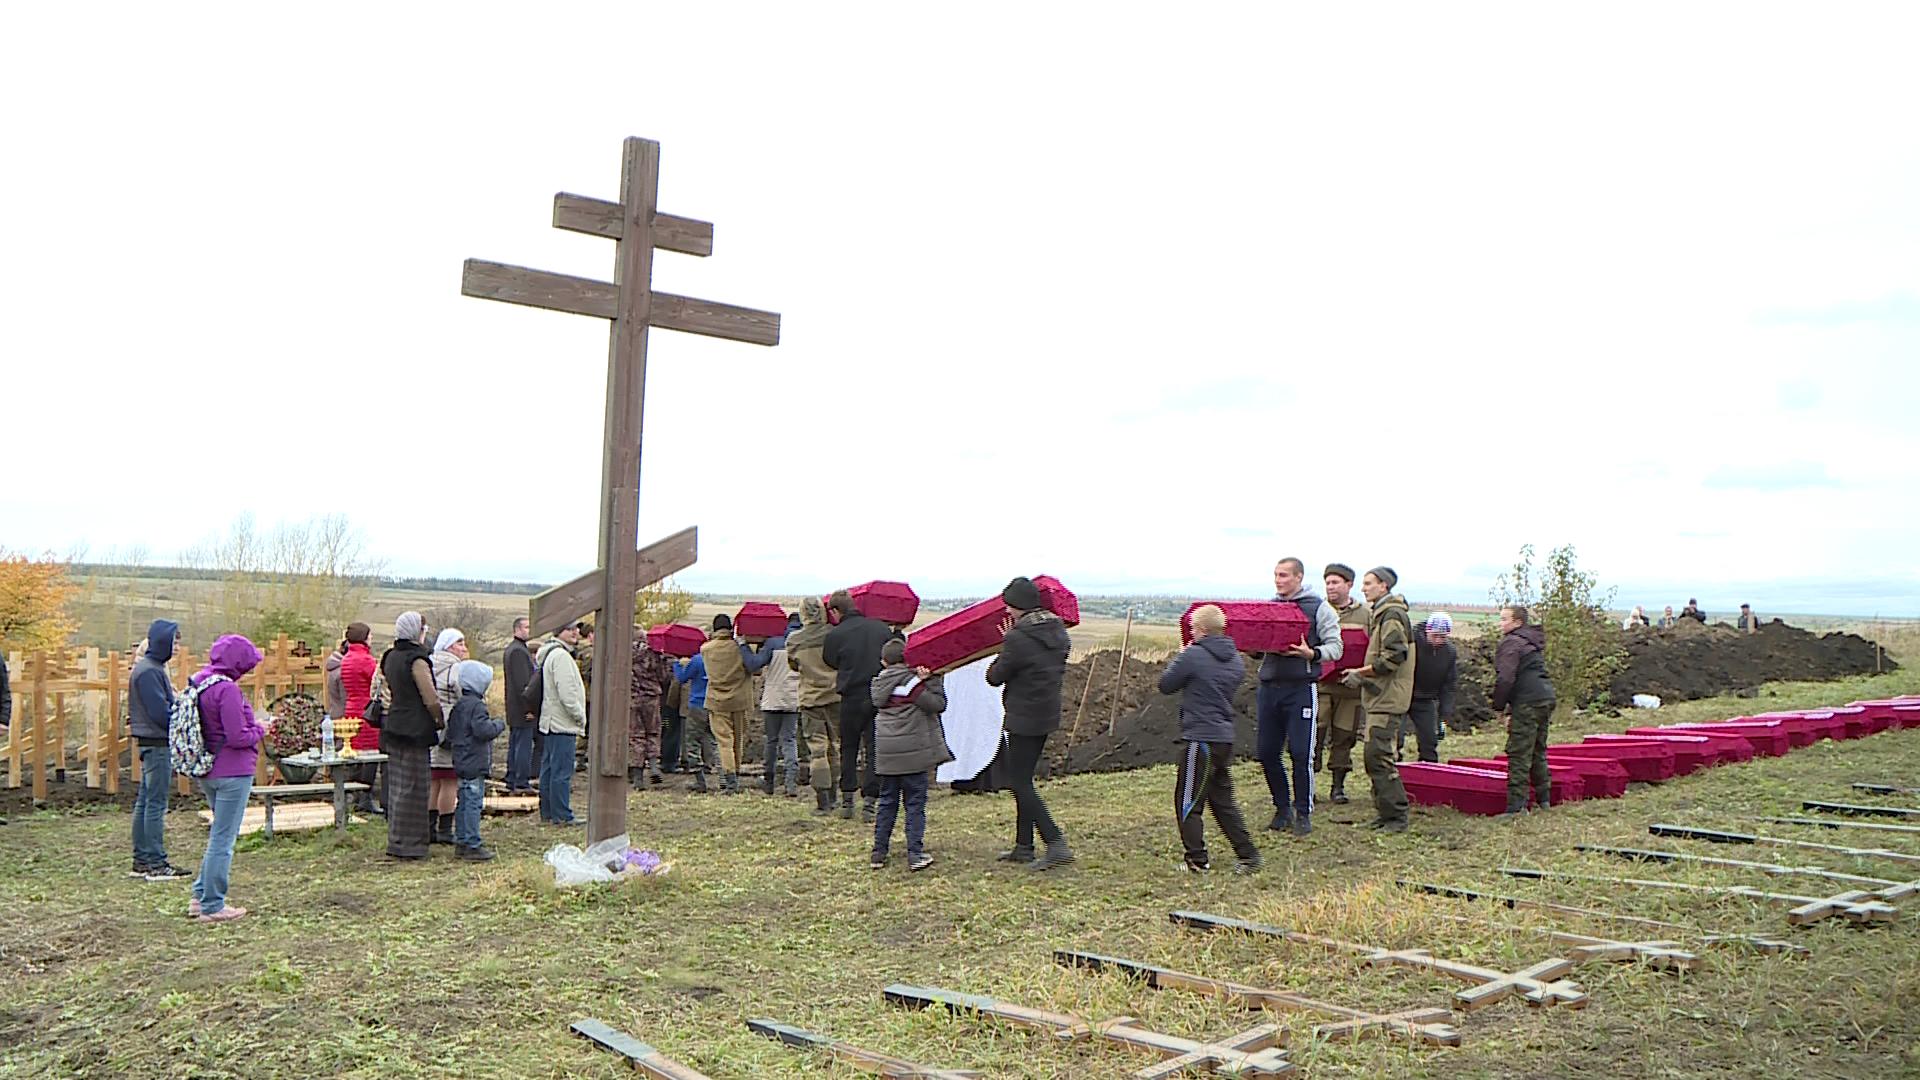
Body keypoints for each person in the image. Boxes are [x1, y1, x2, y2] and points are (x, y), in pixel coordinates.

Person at [1158, 604, 1261, 874]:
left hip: (1199, 738)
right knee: (1222, 801)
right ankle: (1248, 854)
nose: (1190, 632)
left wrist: (1181, 657)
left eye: (1192, 627)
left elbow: (1166, 685)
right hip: (1223, 736)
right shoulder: (1236, 659)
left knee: (1188, 802)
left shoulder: (1193, 655)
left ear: (1201, 629)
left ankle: (1197, 860)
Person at [985, 576, 1076, 872]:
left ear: (1018, 606)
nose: (1007, 612)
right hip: (1046, 713)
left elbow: (994, 676)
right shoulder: (1059, 631)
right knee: (1023, 776)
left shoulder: (1017, 638)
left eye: (1009, 606)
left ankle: (1055, 842)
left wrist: (1005, 645)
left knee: (1019, 782)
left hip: (1023, 716)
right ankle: (1024, 846)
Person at [1253, 556, 1345, 837]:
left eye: (1284, 575)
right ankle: (1282, 810)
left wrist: (1311, 654)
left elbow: (1336, 648)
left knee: (1301, 753)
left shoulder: (1319, 608)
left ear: (1299, 577)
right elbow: (1260, 646)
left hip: (1301, 689)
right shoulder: (1269, 607)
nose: (1279, 580)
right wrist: (1249, 645)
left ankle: (1303, 812)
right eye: (1276, 575)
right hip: (1269, 688)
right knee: (1267, 752)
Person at [186, 634, 267, 922]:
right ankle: (213, 905)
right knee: (224, 839)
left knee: (218, 835)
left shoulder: (200, 682)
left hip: (208, 769)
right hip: (233, 771)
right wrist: (261, 728)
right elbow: (238, 736)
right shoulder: (227, 690)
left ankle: (200, 896)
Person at [1339, 568, 1413, 832]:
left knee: (1379, 755)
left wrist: (1361, 673)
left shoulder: (1392, 615)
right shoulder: (1384, 614)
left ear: (1384, 586)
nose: (1363, 589)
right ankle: (1384, 813)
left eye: (1368, 584)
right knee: (1375, 755)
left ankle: (1396, 816)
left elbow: (1394, 657)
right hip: (1381, 695)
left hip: (1389, 697)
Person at [869, 638, 951, 871]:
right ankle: (915, 853)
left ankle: (878, 852)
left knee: (887, 802)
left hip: (887, 754)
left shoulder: (878, 684)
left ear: (883, 662)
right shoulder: (912, 684)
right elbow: (937, 704)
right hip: (913, 754)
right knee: (915, 803)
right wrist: (933, 681)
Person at [823, 589, 893, 821]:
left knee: (848, 748)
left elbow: (830, 661)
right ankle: (871, 802)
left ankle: (847, 800)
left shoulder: (835, 635)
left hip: (850, 697)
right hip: (877, 695)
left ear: (835, 611)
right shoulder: (880, 629)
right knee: (874, 749)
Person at [381, 612, 444, 859]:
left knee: (397, 785)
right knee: (415, 786)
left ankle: (396, 839)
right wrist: (439, 719)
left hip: (394, 724)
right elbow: (429, 697)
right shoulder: (416, 659)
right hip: (414, 728)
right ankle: (411, 844)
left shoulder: (390, 657)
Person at [128, 618, 183, 880]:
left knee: (146, 800)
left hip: (150, 741)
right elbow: (160, 713)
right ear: (163, 642)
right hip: (157, 743)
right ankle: (155, 862)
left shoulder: (150, 668)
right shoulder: (150, 671)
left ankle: (142, 860)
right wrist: (181, 714)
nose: (177, 647)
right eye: (175, 641)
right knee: (155, 803)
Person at [1492, 604, 1557, 816]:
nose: (1500, 623)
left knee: (1519, 752)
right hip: (1545, 696)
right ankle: (1544, 798)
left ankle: (1516, 807)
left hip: (1528, 701)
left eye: (1504, 619)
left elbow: (1506, 678)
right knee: (1538, 749)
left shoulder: (1511, 643)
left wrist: (1499, 707)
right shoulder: (1531, 641)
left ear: (1517, 622)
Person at [1314, 563, 1368, 805]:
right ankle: (1309, 786)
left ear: (1349, 585)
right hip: (1321, 687)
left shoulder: (1366, 615)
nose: (1330, 586)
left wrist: (1362, 674)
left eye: (1335, 582)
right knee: (1314, 735)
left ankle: (1338, 787)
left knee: (1344, 737)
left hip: (1351, 689)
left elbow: (1372, 649)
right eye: (1327, 582)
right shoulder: (1318, 610)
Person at [445, 659, 505, 861]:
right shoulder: (477, 707)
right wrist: (498, 725)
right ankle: (472, 842)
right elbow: (483, 730)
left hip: (461, 759)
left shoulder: (460, 705)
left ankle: (461, 841)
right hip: (474, 760)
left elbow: (451, 732)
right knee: (472, 803)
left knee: (463, 801)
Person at [787, 596, 842, 815]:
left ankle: (822, 801)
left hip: (811, 699)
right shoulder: (834, 635)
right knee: (836, 747)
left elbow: (793, 666)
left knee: (818, 751)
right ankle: (836, 794)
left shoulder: (794, 640)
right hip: (837, 697)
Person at [694, 615, 756, 795]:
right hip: (740, 700)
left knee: (724, 742)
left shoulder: (706, 649)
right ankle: (736, 772)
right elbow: (755, 668)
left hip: (717, 701)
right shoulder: (740, 649)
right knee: (738, 739)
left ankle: (730, 781)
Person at [537, 623, 587, 824]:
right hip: (561, 722)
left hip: (552, 721)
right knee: (561, 772)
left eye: (576, 629)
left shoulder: (552, 653)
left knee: (550, 769)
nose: (575, 632)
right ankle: (562, 815)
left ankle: (549, 812)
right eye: (570, 629)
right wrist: (580, 716)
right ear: (558, 632)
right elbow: (567, 694)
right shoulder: (561, 657)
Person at [427, 629, 469, 845]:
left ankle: (429, 828)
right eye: (459, 643)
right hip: (449, 728)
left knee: (434, 779)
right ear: (449, 646)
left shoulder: (428, 663)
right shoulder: (455, 668)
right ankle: (445, 829)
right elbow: (462, 694)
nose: (463, 647)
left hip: (429, 725)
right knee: (449, 780)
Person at [754, 612, 803, 797]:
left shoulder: (773, 642)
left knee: (771, 741)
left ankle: (769, 782)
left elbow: (754, 664)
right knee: (790, 741)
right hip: (793, 699)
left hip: (772, 699)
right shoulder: (803, 644)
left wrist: (745, 646)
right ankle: (791, 783)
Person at [340, 623, 380, 815]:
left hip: (351, 707)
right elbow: (377, 680)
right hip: (366, 708)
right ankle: (366, 795)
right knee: (371, 754)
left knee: (355, 752)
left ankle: (355, 794)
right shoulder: (365, 659)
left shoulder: (347, 658)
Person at [1406, 612, 1457, 758]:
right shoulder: (1412, 643)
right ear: (1427, 631)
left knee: (1429, 740)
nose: (1438, 640)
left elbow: (1449, 685)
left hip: (1426, 699)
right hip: (1403, 695)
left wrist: (1444, 716)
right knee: (1396, 739)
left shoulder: (1449, 652)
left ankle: (1428, 769)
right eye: (1435, 635)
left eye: (1443, 637)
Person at [628, 632, 671, 790]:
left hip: (631, 698)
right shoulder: (654, 653)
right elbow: (664, 677)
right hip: (652, 698)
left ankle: (638, 776)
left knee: (635, 736)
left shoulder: (624, 653)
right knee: (653, 732)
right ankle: (654, 766)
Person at [673, 642, 717, 793]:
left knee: (692, 742)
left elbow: (681, 678)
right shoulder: (718, 658)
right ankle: (723, 778)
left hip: (697, 704)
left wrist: (677, 664)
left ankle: (700, 780)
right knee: (713, 740)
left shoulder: (697, 660)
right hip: (716, 703)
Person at [503, 616, 539, 796]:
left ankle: (512, 779)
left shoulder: (515, 649)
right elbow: (523, 684)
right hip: (521, 708)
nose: (528, 631)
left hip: (515, 707)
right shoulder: (518, 651)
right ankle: (521, 782)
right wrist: (530, 708)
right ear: (516, 629)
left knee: (516, 744)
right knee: (522, 745)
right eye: (525, 627)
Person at [324, 639, 347, 722]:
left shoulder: (334, 669)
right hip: (343, 716)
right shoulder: (342, 672)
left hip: (335, 712)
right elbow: (345, 698)